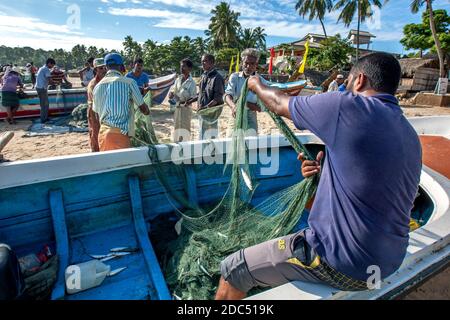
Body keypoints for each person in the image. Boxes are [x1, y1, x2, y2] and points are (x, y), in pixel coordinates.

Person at [215, 52, 422, 300]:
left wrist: (255, 84)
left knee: (233, 269)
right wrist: (323, 174)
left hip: (344, 263)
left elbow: (279, 102)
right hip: (389, 262)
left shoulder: (346, 105)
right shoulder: (410, 135)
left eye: (348, 82)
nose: (345, 88)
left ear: (360, 80)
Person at [93, 53, 150, 151]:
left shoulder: (97, 86)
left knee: (109, 165)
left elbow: (96, 114)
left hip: (102, 134)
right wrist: (147, 111)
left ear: (106, 67)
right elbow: (143, 108)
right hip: (119, 135)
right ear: (121, 66)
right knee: (123, 164)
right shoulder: (129, 82)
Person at [224, 48, 264, 136]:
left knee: (251, 145)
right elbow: (227, 95)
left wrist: (249, 105)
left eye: (252, 64)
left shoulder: (260, 81)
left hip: (251, 116)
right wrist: (233, 106)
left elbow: (263, 106)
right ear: (242, 63)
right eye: (246, 63)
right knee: (230, 141)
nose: (248, 67)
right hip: (236, 114)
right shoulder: (234, 77)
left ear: (256, 65)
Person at [169, 58, 197, 142]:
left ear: (189, 68)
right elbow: (174, 91)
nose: (181, 68)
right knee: (177, 127)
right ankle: (176, 147)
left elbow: (194, 97)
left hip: (186, 108)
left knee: (185, 129)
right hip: (177, 107)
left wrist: (188, 102)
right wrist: (171, 94)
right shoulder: (178, 79)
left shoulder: (192, 82)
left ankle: (186, 149)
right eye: (181, 66)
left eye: (184, 66)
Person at [197, 54, 224, 140]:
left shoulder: (217, 78)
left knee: (211, 137)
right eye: (202, 61)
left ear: (212, 63)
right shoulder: (203, 76)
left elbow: (218, 98)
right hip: (202, 112)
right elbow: (200, 93)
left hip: (211, 113)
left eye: (205, 61)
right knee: (202, 135)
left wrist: (206, 108)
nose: (202, 63)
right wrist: (190, 101)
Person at [86, 58, 107, 152]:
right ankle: (95, 152)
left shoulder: (106, 82)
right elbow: (94, 103)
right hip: (94, 111)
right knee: (95, 132)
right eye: (101, 68)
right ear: (95, 70)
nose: (104, 70)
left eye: (105, 67)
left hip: (104, 110)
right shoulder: (93, 84)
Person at [35, 58, 56, 123]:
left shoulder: (42, 68)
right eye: (52, 65)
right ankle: (44, 119)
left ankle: (44, 118)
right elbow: (49, 79)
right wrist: (56, 83)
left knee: (43, 104)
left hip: (39, 87)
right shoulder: (46, 69)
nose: (52, 67)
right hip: (42, 88)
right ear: (49, 63)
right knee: (45, 104)